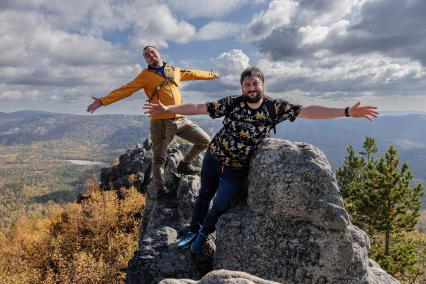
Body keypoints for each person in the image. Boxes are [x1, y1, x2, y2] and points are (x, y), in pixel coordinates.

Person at [143, 66, 378, 254]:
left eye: (255, 83)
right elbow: (198, 107)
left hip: (236, 169)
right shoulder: (233, 102)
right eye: (247, 84)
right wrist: (167, 108)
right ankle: (192, 231)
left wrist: (346, 111)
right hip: (213, 158)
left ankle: (204, 234)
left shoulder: (274, 108)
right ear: (242, 88)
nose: (251, 87)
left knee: (220, 204)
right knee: (204, 194)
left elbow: (308, 111)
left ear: (262, 85)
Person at [86, 45, 221, 193]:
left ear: (158, 53)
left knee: (205, 141)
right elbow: (126, 90)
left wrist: (211, 74)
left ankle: (185, 164)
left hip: (180, 118)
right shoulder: (145, 75)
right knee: (159, 158)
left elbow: (194, 73)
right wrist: (102, 101)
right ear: (146, 60)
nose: (150, 55)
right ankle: (160, 188)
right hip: (160, 122)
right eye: (146, 55)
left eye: (151, 52)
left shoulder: (174, 70)